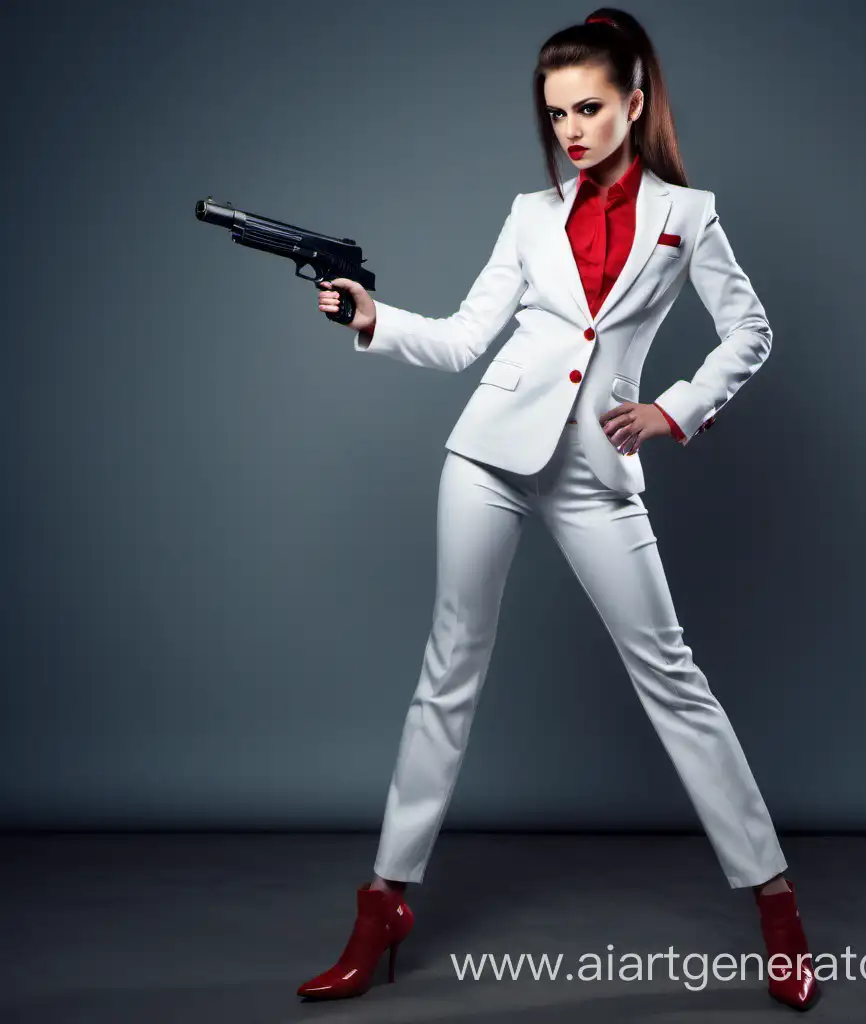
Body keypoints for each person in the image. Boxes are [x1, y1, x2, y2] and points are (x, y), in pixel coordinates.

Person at [299, 6, 819, 1012]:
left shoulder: (687, 213)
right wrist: (372, 315)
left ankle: (777, 903)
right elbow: (461, 339)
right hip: (487, 454)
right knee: (447, 668)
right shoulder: (530, 214)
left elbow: (747, 332)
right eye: (555, 113)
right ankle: (381, 904)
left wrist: (670, 410)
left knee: (670, 672)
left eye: (588, 107)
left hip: (596, 466)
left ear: (634, 100)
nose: (571, 128)